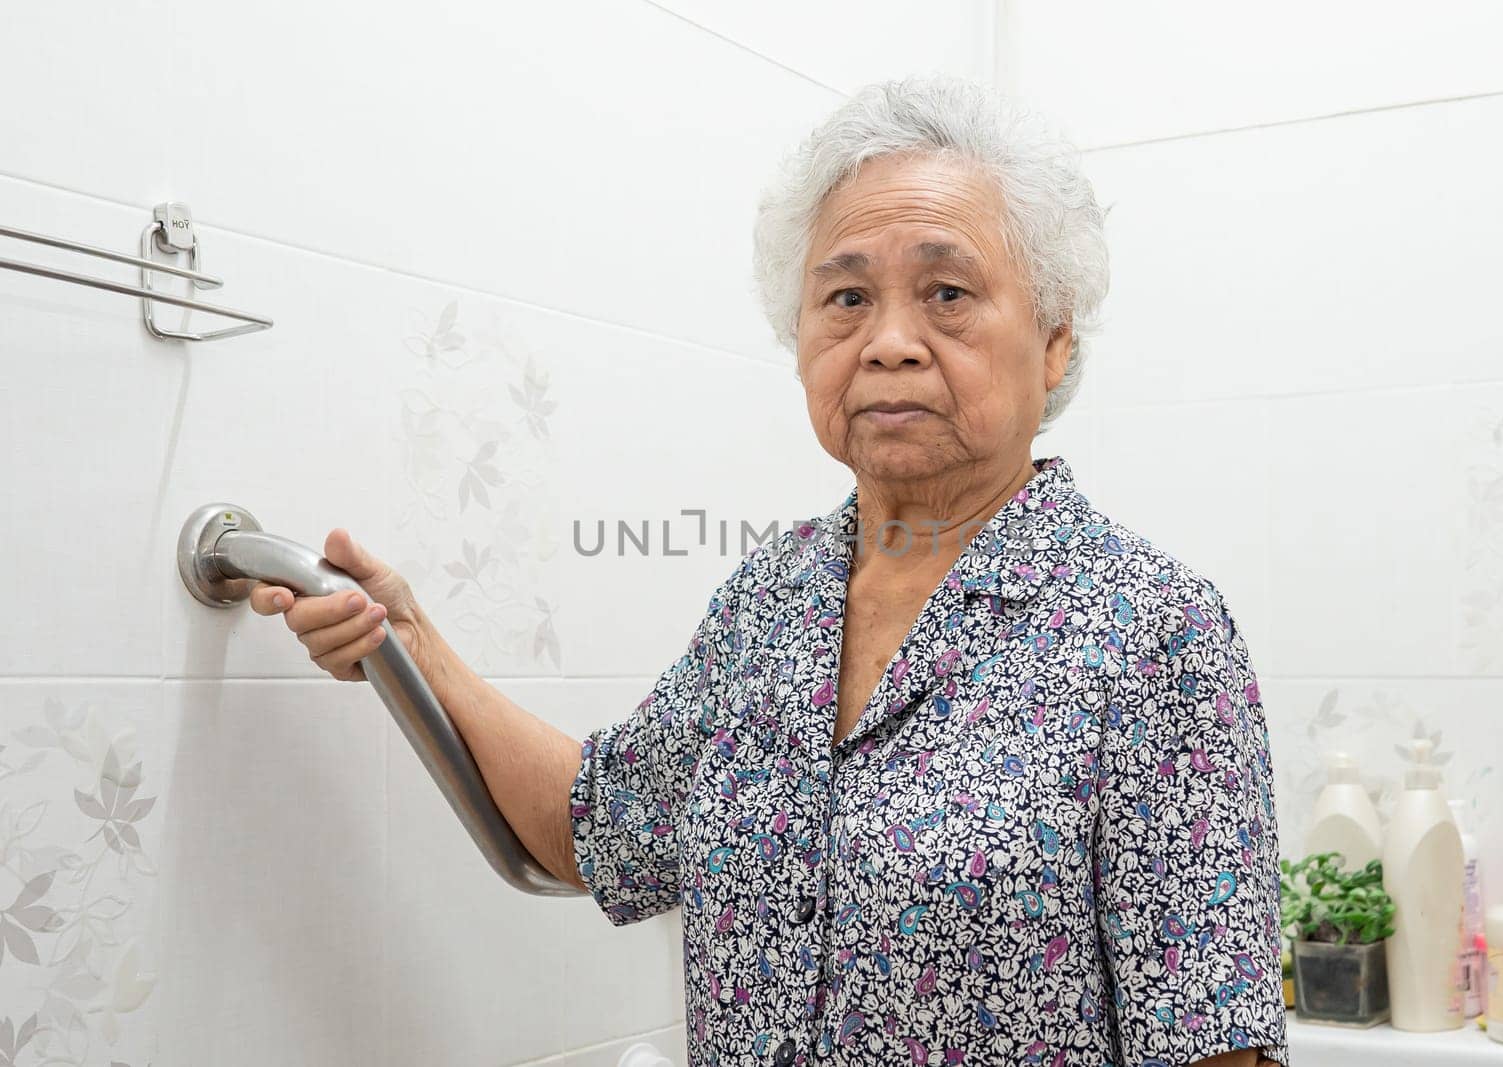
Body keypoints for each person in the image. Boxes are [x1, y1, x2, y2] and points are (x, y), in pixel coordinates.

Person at [252, 74, 1288, 1067]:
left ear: (1054, 340)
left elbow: (1212, 1038)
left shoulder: (1154, 632)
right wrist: (413, 642)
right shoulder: (771, 602)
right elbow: (599, 825)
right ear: (798, 335)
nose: (888, 341)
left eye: (947, 292)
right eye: (844, 296)